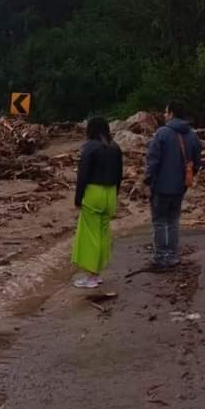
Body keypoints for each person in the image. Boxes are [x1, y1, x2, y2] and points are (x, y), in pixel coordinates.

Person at [145, 103, 203, 269]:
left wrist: (149, 179)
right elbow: (197, 162)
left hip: (161, 186)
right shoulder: (192, 135)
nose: (164, 115)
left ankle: (161, 256)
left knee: (159, 221)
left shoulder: (162, 133)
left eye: (165, 112)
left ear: (171, 113)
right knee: (173, 221)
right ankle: (172, 254)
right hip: (180, 187)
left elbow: (153, 160)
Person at [71, 117, 123, 289]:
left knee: (90, 236)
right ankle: (97, 273)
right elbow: (119, 175)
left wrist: (78, 198)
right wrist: (115, 195)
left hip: (93, 193)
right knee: (103, 234)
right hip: (110, 193)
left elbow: (83, 175)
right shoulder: (115, 147)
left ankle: (91, 276)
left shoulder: (90, 147)